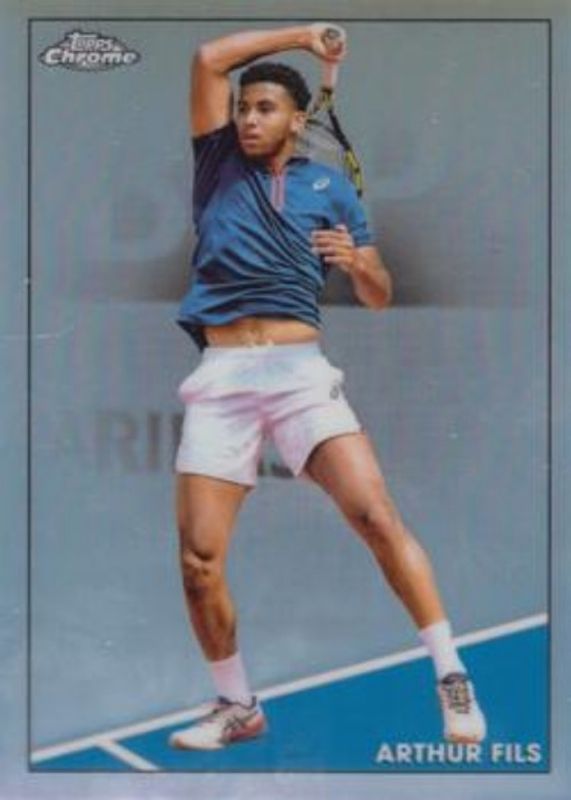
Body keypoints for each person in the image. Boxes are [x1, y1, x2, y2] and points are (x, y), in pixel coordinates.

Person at [169, 23, 486, 751]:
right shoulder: (215, 161)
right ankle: (237, 705)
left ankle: (451, 674)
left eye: (264, 108)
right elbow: (208, 59)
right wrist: (306, 35)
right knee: (198, 563)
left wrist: (359, 265)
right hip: (221, 377)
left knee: (375, 516)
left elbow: (378, 295)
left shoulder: (331, 189)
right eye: (242, 107)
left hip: (298, 376)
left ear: (297, 119)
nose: (247, 118)